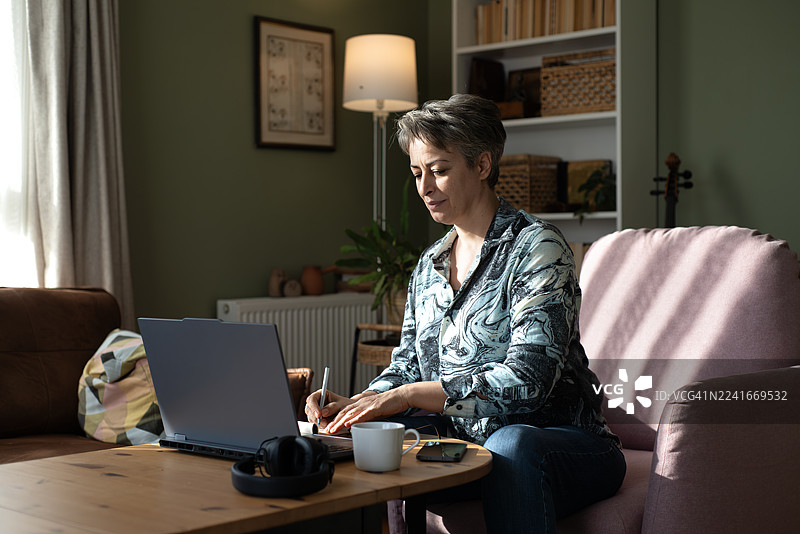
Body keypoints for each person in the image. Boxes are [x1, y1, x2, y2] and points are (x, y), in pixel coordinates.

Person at [306, 93, 625, 532]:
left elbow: (528, 384)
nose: (425, 187)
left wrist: (411, 395)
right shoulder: (430, 264)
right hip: (467, 449)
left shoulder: (537, 248)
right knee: (360, 440)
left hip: (560, 445)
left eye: (439, 170)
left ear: (482, 165)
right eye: (417, 173)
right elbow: (407, 367)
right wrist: (360, 405)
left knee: (511, 443)